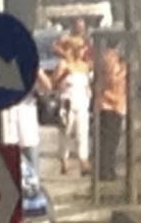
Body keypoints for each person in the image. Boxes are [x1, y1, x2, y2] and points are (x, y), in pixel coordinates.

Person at [53, 19, 93, 175]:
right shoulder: (64, 64)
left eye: (81, 48)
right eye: (75, 48)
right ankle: (64, 160)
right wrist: (61, 79)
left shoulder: (85, 66)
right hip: (67, 102)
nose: (79, 50)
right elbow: (53, 83)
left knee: (83, 131)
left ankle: (83, 161)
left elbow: (90, 82)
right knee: (66, 132)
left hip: (82, 102)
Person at [96, 35, 127, 180]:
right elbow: (111, 79)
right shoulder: (109, 58)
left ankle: (109, 170)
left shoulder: (112, 57)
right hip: (109, 103)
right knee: (108, 142)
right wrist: (124, 71)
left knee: (113, 141)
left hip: (117, 104)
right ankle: (105, 171)